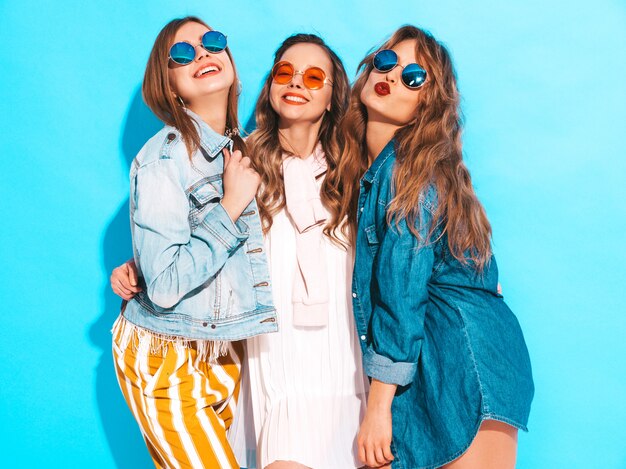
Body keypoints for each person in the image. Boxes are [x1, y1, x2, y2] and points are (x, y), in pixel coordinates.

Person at [330, 25, 534, 469]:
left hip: (465, 363)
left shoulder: (408, 172)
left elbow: (402, 298)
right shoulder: (379, 172)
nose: (394, 75)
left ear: (427, 104)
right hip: (450, 364)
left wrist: (378, 408)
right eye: (387, 62)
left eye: (414, 77)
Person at [111, 16, 277, 469]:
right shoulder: (163, 156)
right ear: (169, 86)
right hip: (168, 354)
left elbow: (180, 250)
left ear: (231, 61)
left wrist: (140, 262)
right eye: (182, 54)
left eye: (212, 42)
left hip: (220, 347)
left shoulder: (238, 148)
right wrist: (231, 206)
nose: (202, 53)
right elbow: (165, 286)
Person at [230, 34, 368, 469]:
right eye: (284, 73)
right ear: (271, 88)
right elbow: (204, 234)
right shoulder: (241, 161)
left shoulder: (357, 169)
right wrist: (144, 266)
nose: (296, 84)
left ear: (331, 97)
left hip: (348, 368)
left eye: (312, 77)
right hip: (279, 368)